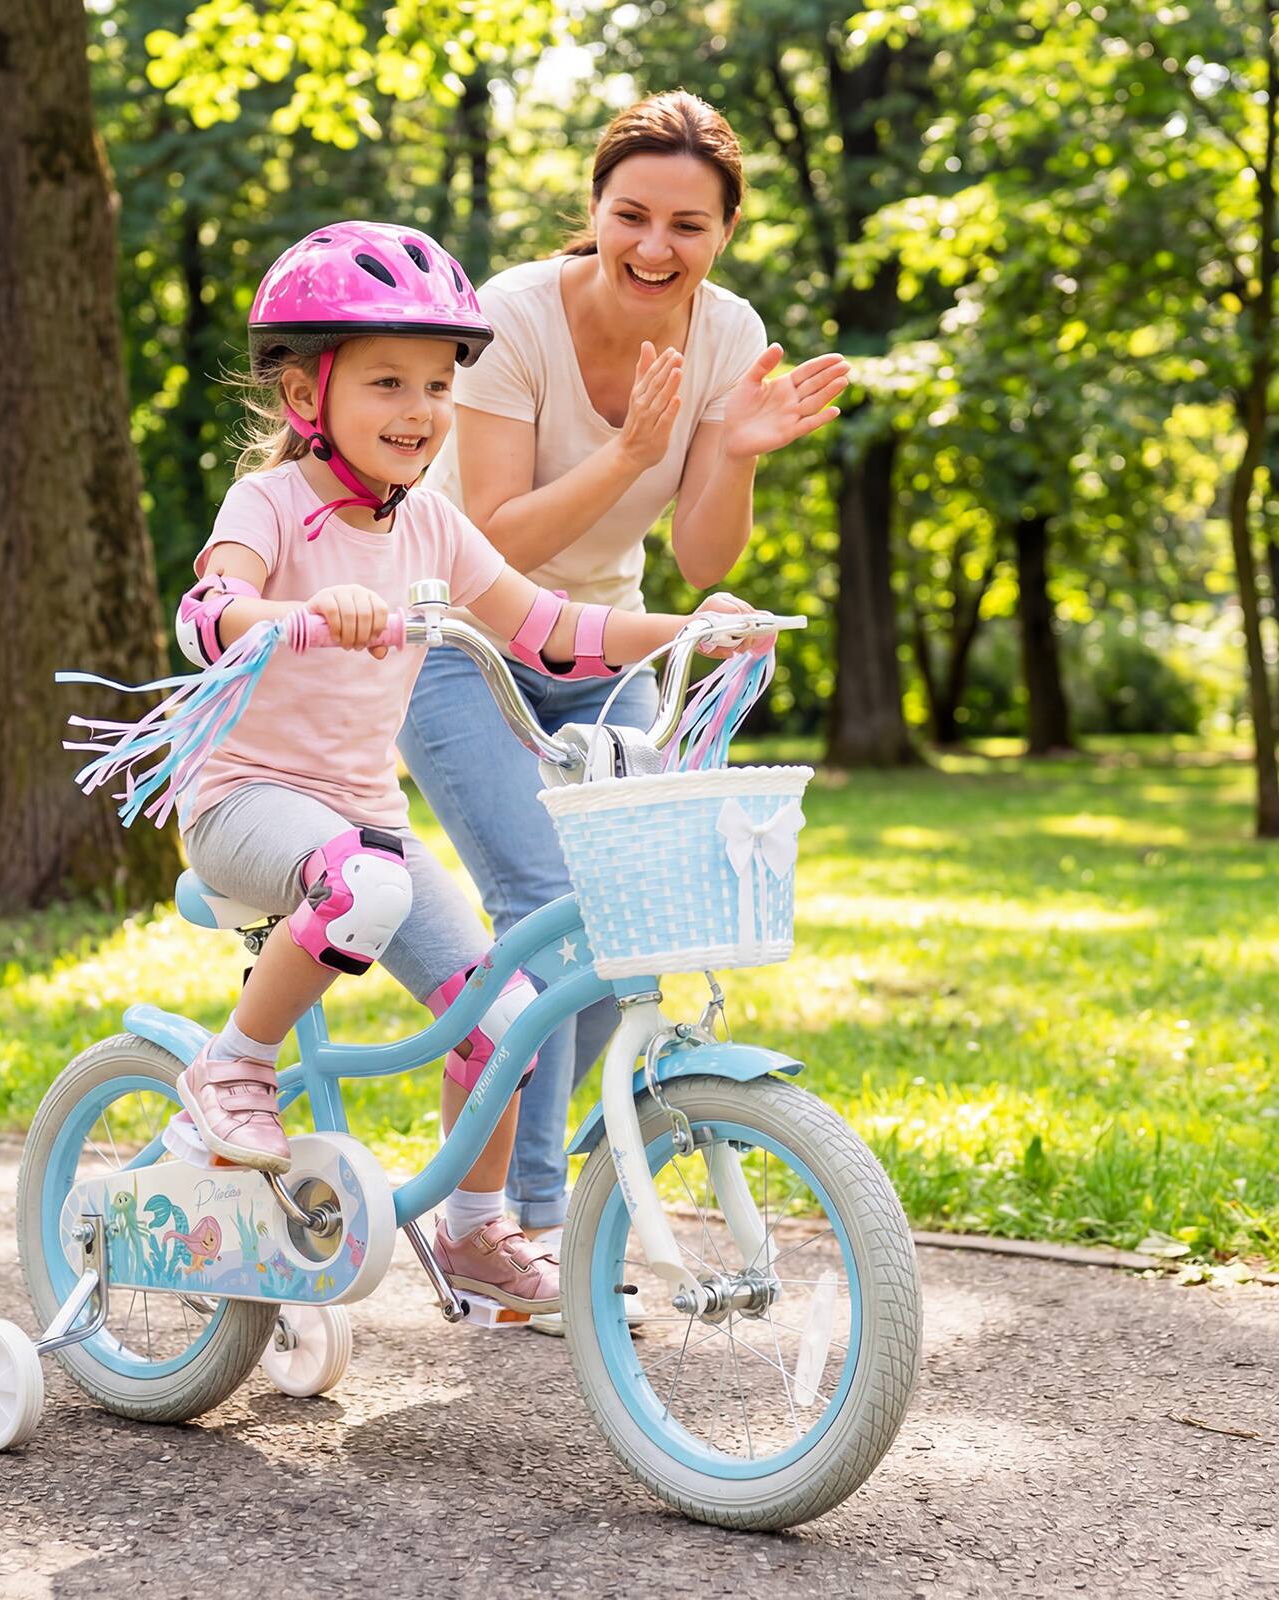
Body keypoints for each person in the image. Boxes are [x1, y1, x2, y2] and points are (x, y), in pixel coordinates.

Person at [159, 219, 767, 1315]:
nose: (420, 410)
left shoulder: (432, 527)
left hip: (359, 829)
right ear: (306, 399)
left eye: (438, 384)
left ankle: (478, 1231)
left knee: (509, 1016)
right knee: (365, 880)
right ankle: (232, 1065)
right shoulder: (271, 505)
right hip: (244, 808)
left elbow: (550, 629)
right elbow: (207, 613)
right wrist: (296, 615)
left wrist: (692, 628)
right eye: (386, 381)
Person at [399, 92, 850, 1261]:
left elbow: (701, 557)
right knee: (544, 910)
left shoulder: (729, 334)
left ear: (725, 231)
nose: (656, 246)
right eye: (631, 215)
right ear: (593, 210)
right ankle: (506, 1223)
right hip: (461, 646)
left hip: (602, 654)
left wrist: (731, 451)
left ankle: (525, 1219)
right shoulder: (509, 320)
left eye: (688, 225)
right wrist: (635, 451)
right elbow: (499, 538)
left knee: (618, 922)